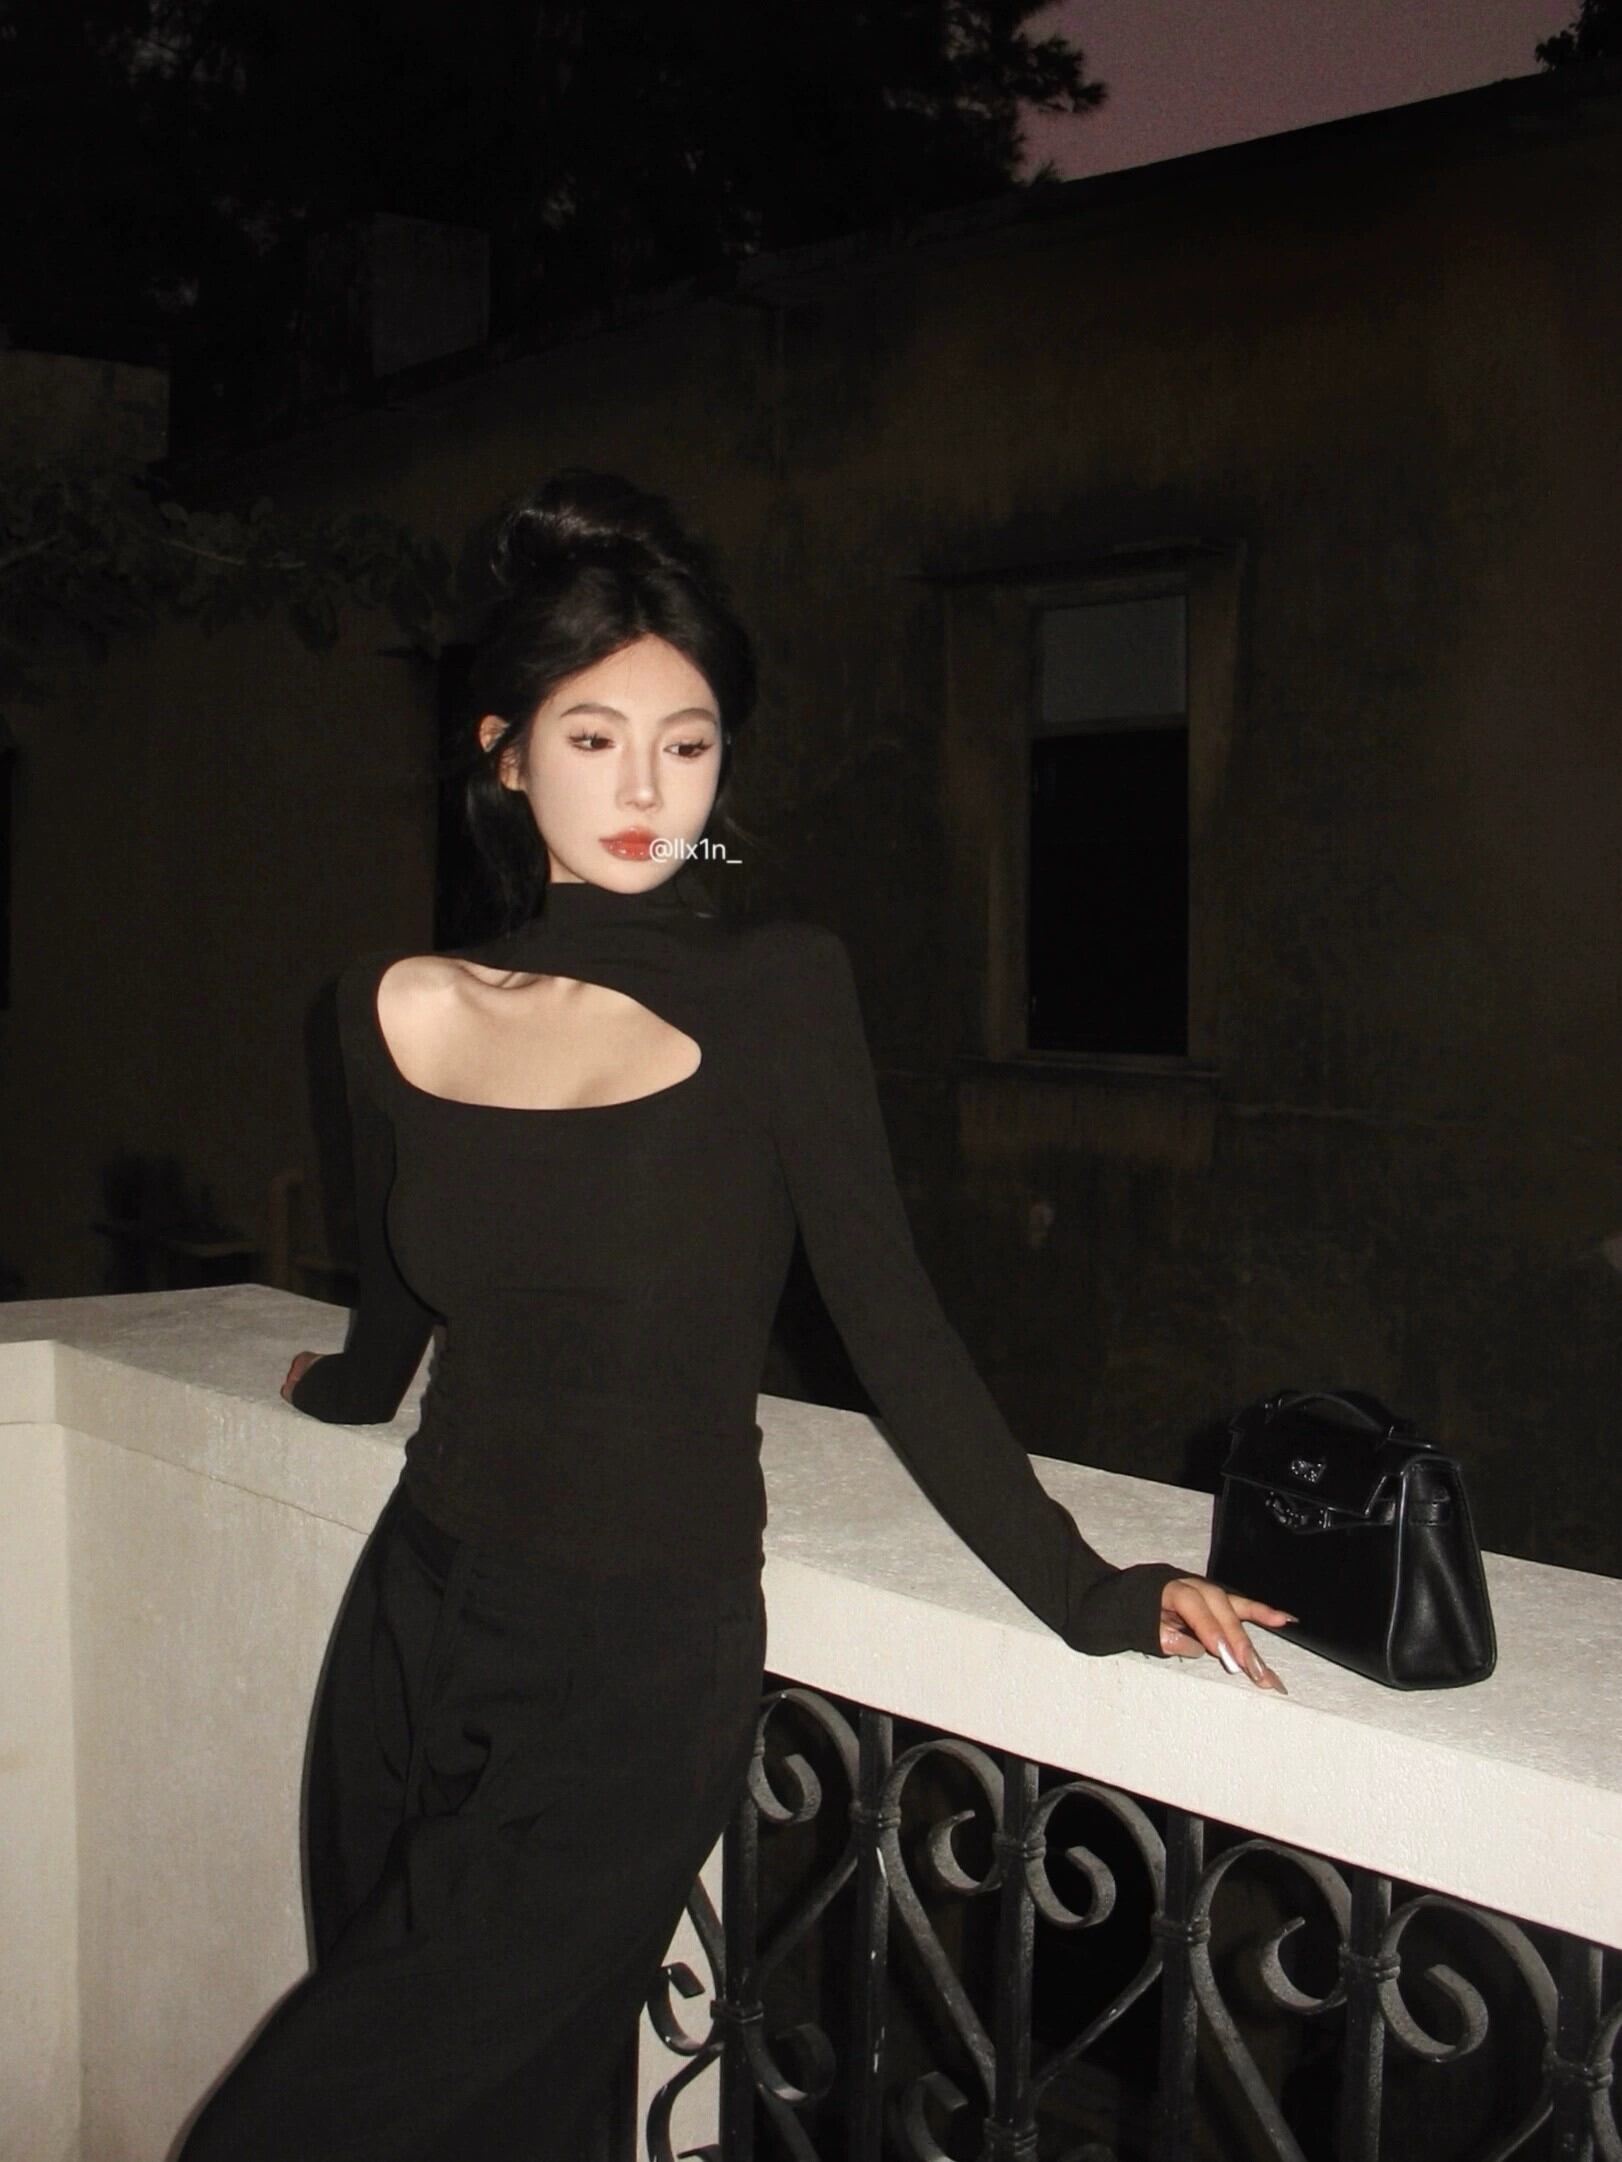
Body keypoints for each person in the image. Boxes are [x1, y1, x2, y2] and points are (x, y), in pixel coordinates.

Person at [177, 470, 1289, 2162]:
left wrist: (1089, 1591)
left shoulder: (776, 991)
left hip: (630, 1668)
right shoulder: (389, 1004)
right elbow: (399, 1300)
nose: (646, 787)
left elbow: (889, 1316)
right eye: (594, 735)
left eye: (686, 743)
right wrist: (340, 1386)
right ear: (502, 751)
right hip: (412, 1621)